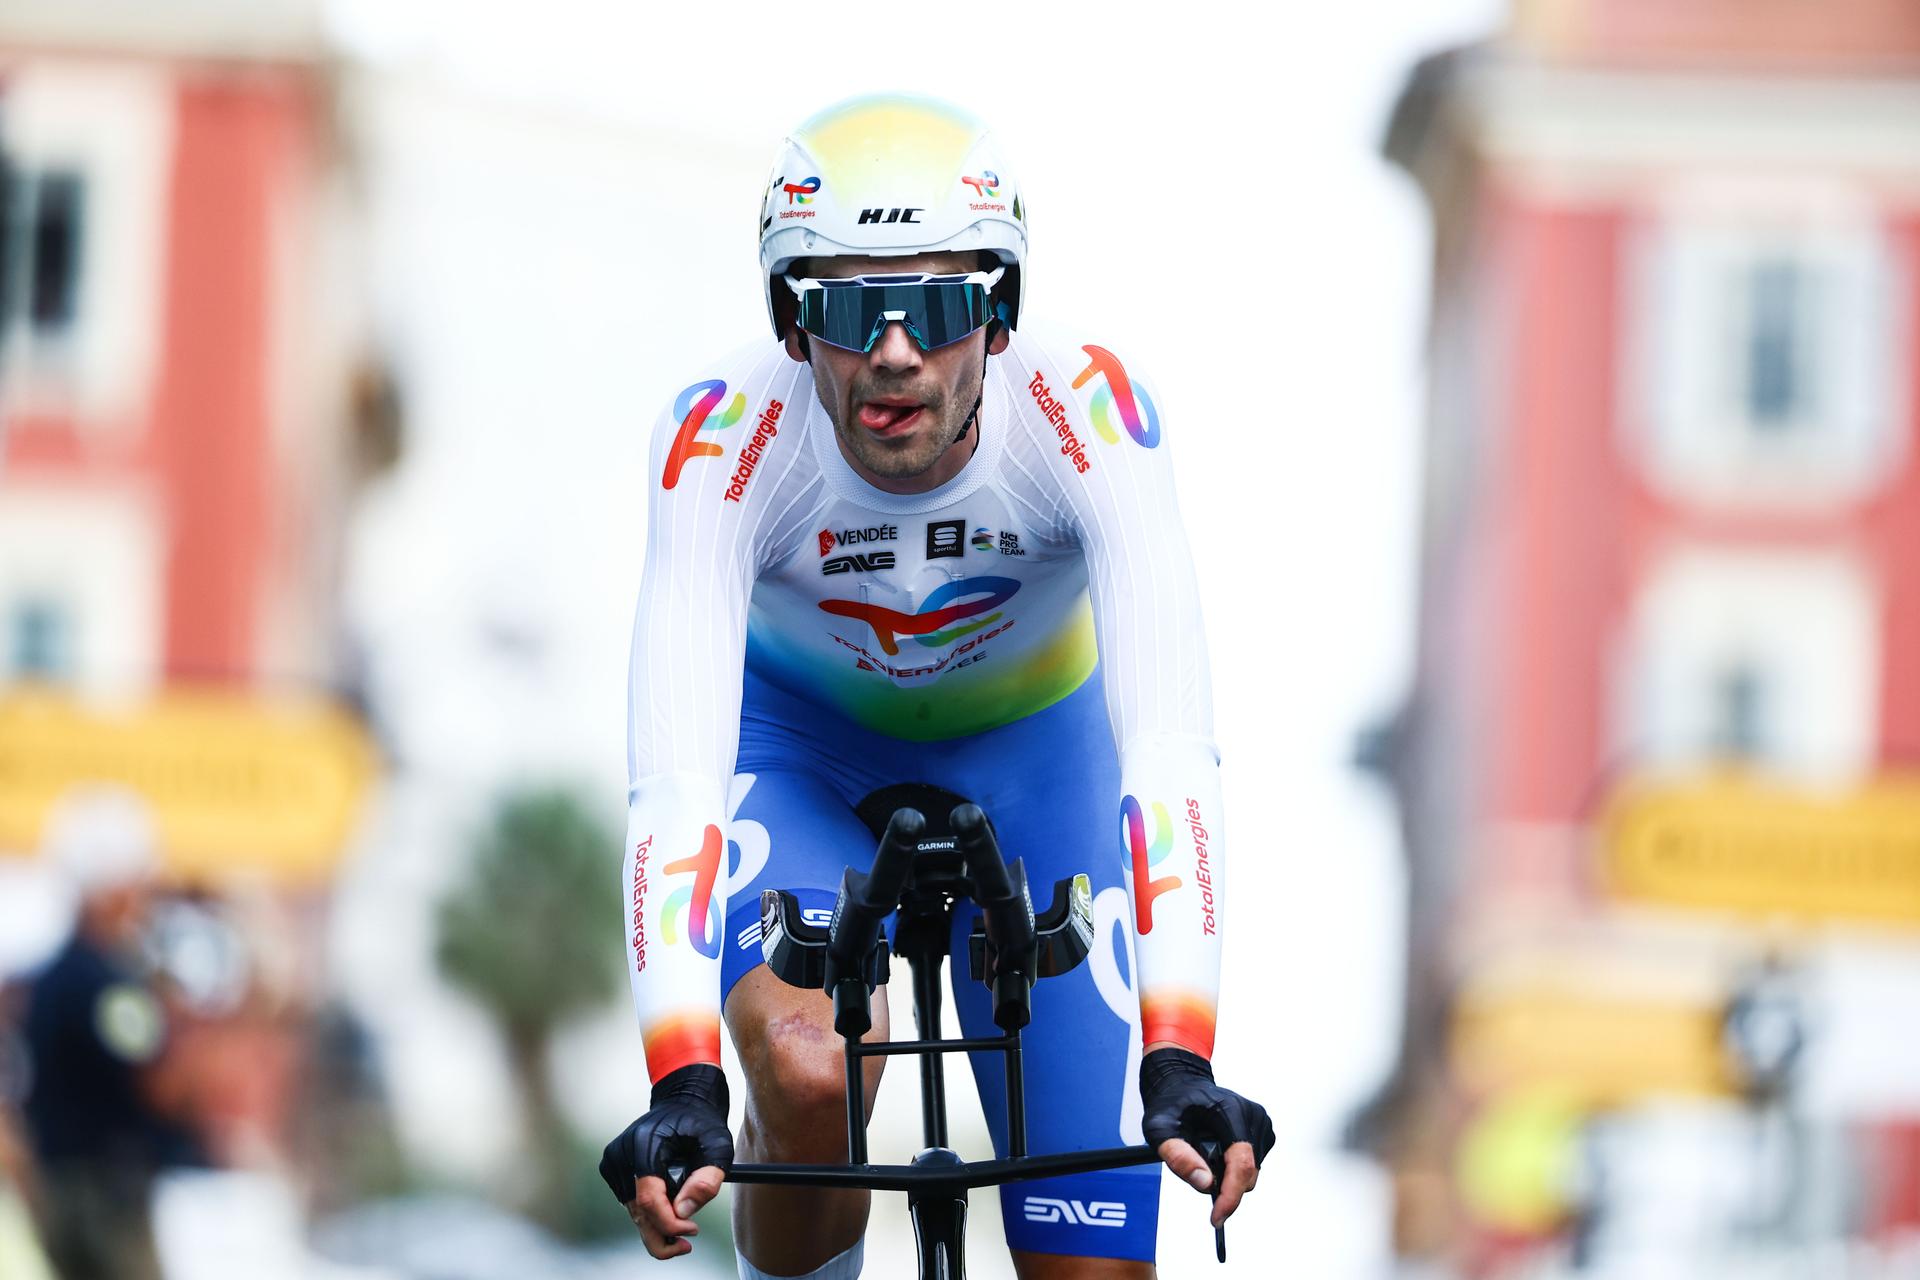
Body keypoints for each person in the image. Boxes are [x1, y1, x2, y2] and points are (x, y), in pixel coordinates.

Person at [601, 93, 1273, 1279]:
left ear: (1000, 316)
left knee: (1092, 1266)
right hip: (797, 750)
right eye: (853, 309)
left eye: (944, 305)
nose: (897, 351)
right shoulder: (720, 437)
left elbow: (1170, 751)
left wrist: (1180, 1054)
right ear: (791, 322)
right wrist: (686, 1078)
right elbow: (675, 778)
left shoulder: (1090, 415)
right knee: (812, 1073)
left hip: (1039, 763)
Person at [18, 787, 199, 1280]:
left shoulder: (55, 980)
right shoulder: (108, 987)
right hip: (106, 1194)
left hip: (64, 1187)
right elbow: (161, 1080)